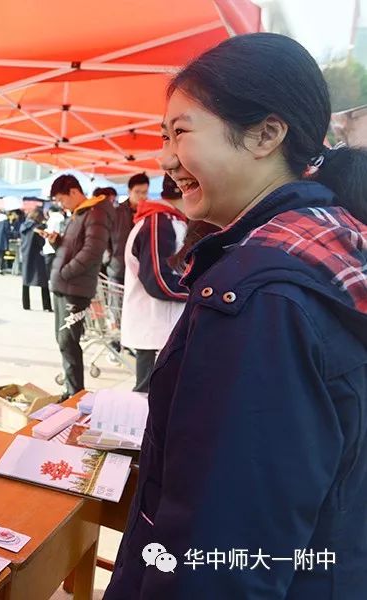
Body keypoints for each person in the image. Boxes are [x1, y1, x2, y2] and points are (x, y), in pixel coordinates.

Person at [105, 33, 367, 599]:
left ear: (266, 134)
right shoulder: (336, 247)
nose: (165, 158)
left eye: (181, 131)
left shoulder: (260, 297)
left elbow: (225, 552)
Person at [119, 175, 188, 393]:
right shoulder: (159, 222)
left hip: (160, 328)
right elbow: (158, 280)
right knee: (149, 401)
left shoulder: (166, 220)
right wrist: (196, 291)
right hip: (156, 329)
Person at [46, 176, 111, 397]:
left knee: (68, 340)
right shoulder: (79, 214)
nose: (61, 204)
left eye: (61, 199)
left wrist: (66, 272)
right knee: (63, 340)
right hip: (65, 286)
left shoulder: (96, 213)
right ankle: (72, 390)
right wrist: (57, 242)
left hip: (75, 288)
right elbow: (74, 248)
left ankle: (75, 394)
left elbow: (92, 251)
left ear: (74, 192)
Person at [107, 174, 148, 284]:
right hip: (118, 271)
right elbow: (106, 239)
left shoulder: (150, 214)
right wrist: (110, 259)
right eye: (137, 192)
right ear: (129, 191)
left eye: (144, 192)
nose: (141, 196)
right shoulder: (116, 212)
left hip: (141, 273)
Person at [19, 208, 53, 311]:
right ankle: (46, 306)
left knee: (26, 280)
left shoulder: (23, 226)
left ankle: (26, 305)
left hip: (25, 254)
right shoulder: (37, 228)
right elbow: (41, 243)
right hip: (37, 256)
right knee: (43, 281)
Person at [0, 210, 18, 274]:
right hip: (2, 240)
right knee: (1, 255)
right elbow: (7, 231)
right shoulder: (5, 221)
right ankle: (0, 268)